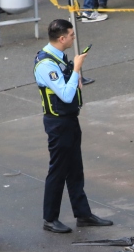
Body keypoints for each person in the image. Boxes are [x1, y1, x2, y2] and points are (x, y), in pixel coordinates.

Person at [33, 19, 114, 233]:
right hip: (58, 123)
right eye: (71, 35)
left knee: (75, 169)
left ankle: (83, 214)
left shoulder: (59, 57)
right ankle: (50, 218)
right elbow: (66, 95)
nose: (73, 38)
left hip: (69, 119)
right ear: (62, 38)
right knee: (58, 170)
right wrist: (77, 68)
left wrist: (75, 75)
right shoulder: (46, 64)